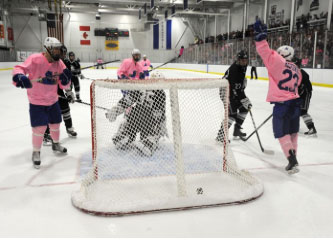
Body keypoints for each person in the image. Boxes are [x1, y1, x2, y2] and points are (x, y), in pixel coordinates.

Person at [12, 37, 72, 169]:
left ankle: (55, 144)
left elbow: (63, 85)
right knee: (39, 128)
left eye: (59, 49)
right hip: (37, 101)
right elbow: (18, 69)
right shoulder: (35, 59)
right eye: (56, 49)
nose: (58, 52)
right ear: (48, 49)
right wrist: (20, 77)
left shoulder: (59, 63)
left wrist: (66, 79)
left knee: (55, 124)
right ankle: (36, 152)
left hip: (53, 100)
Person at [254, 19, 302, 174]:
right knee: (293, 131)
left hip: (282, 105)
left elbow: (266, 53)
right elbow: (298, 82)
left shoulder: (278, 62)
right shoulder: (296, 68)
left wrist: (261, 39)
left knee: (281, 132)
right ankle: (294, 158)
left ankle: (291, 159)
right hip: (295, 103)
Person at [111, 72, 167, 156]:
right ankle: (137, 137)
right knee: (133, 112)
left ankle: (132, 135)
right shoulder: (159, 93)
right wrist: (162, 125)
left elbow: (128, 99)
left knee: (132, 113)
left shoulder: (143, 88)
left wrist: (117, 110)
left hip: (142, 119)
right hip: (144, 120)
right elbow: (159, 113)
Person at [43, 45, 77, 145]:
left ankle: (69, 128)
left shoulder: (61, 63)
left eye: (64, 53)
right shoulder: (45, 62)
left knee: (65, 108)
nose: (63, 55)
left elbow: (66, 80)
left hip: (58, 89)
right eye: (62, 53)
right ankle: (46, 135)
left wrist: (69, 93)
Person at [216, 50, 252, 142]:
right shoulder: (234, 70)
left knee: (244, 109)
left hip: (234, 91)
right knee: (232, 114)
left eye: (245, 60)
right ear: (238, 60)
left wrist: (245, 99)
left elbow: (239, 89)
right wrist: (244, 99)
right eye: (242, 60)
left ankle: (237, 130)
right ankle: (220, 136)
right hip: (226, 92)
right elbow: (235, 89)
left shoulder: (243, 67)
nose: (244, 62)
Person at [105, 48, 145, 122]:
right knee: (129, 98)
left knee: (134, 98)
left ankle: (121, 111)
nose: (137, 57)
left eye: (138, 55)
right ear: (132, 55)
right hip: (124, 84)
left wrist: (142, 76)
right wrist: (123, 77)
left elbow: (140, 76)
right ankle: (117, 112)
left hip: (133, 86)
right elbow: (119, 72)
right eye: (135, 55)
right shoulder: (127, 62)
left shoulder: (139, 65)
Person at [293, 57, 317, 135]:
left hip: (306, 94)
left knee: (303, 111)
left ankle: (311, 128)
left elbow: (304, 88)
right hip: (300, 94)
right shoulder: (294, 73)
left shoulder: (302, 73)